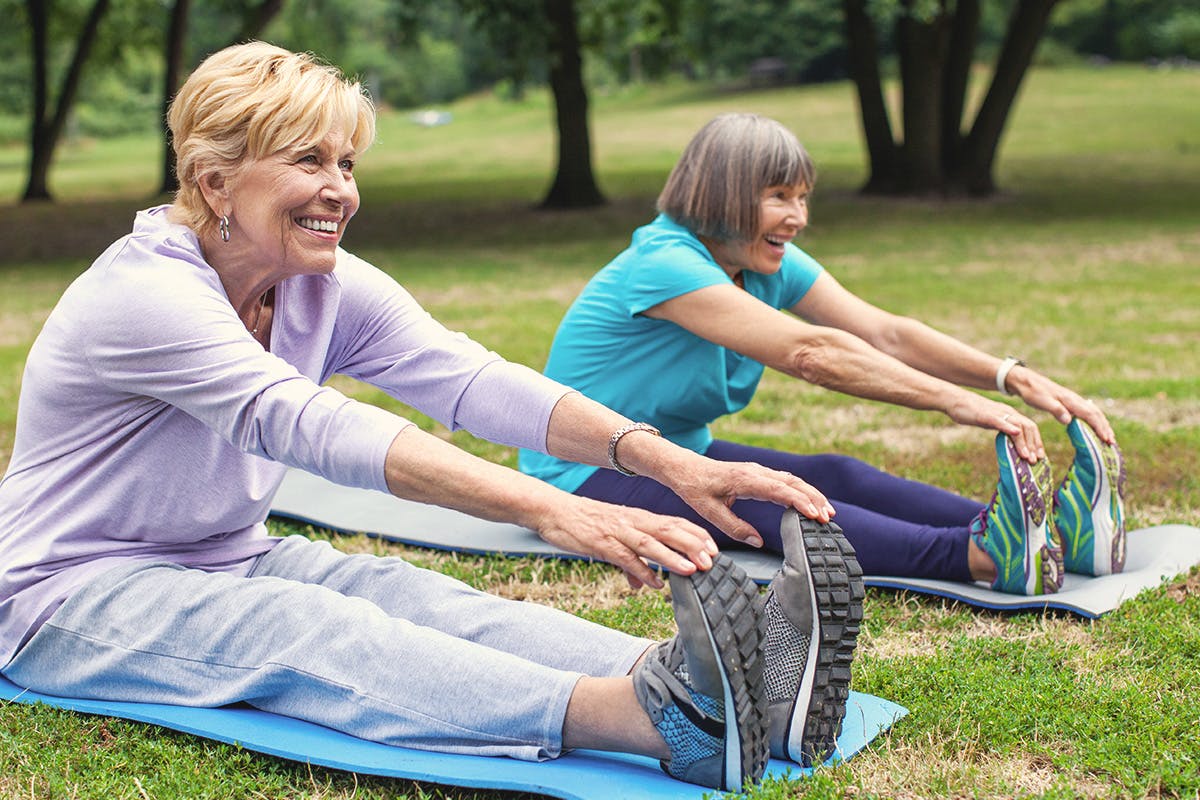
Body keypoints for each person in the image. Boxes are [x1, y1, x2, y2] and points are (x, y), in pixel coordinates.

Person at [0, 48, 853, 792]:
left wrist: (666, 463)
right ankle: (654, 721)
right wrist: (554, 507)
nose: (340, 190)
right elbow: (309, 424)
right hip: (67, 588)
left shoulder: (320, 279)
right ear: (214, 180)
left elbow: (471, 381)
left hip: (226, 552)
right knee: (305, 628)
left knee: (402, 592)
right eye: (308, 161)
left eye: (348, 163)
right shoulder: (146, 295)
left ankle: (746, 689)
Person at [520, 112, 1127, 600]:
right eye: (780, 196)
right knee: (779, 502)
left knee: (836, 474)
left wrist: (1008, 376)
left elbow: (886, 333)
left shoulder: (757, 262)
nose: (799, 217)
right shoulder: (665, 265)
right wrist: (953, 401)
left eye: (804, 198)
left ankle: (1044, 536)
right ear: (723, 195)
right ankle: (978, 558)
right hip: (586, 473)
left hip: (674, 455)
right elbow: (810, 352)